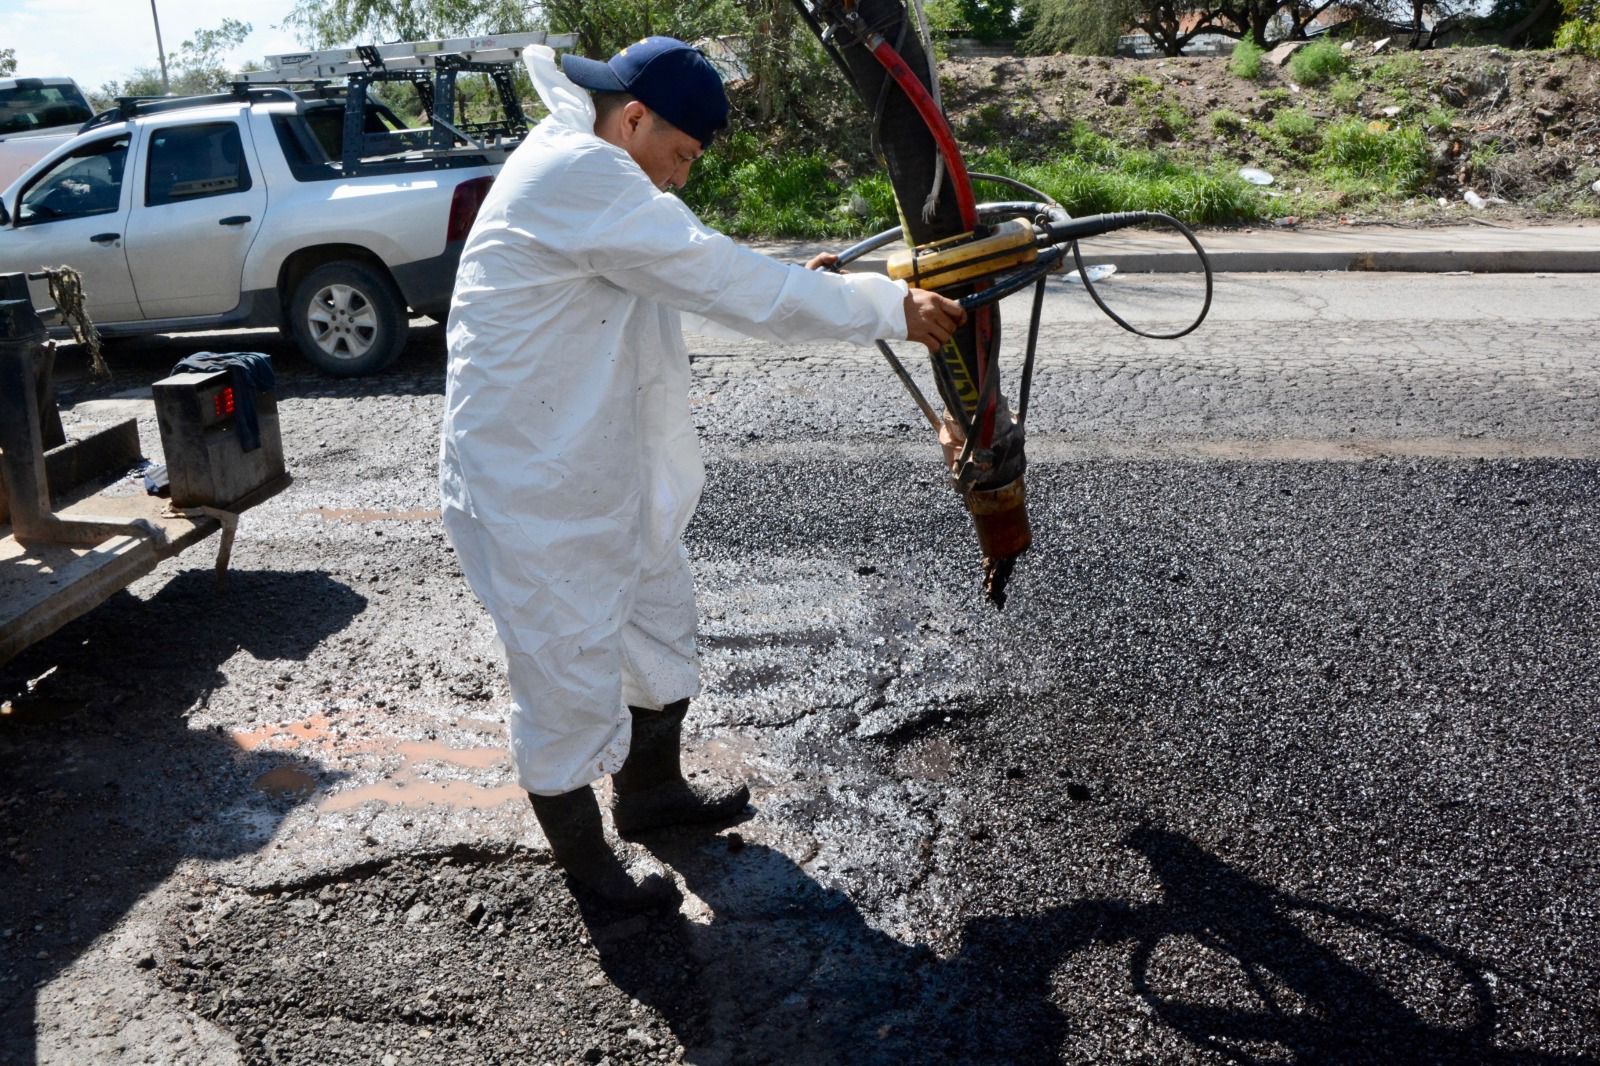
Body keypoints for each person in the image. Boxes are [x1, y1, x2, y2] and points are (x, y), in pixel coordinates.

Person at [439, 37, 966, 908]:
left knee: (659, 624)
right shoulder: (579, 172)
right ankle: (595, 881)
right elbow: (715, 274)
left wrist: (796, 283)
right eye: (680, 156)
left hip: (597, 462)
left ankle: (650, 795)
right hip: (535, 485)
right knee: (565, 670)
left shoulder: (599, 175)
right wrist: (884, 307)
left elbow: (690, 270)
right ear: (635, 117)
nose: (681, 177)